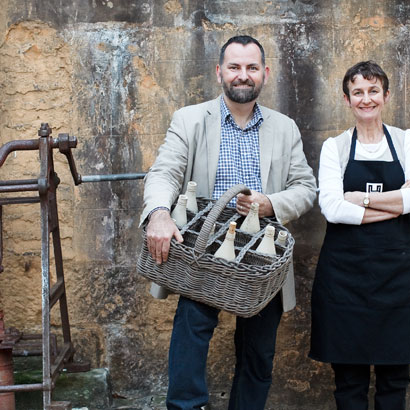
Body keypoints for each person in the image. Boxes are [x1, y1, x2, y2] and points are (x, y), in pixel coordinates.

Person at [140, 35, 316, 410]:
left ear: (264, 74)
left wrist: (270, 203)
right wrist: (157, 213)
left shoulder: (285, 128)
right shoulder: (188, 119)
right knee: (190, 337)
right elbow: (163, 172)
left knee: (258, 355)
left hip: (261, 257)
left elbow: (306, 188)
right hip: (201, 251)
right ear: (220, 72)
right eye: (234, 67)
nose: (243, 75)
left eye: (252, 68)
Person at [309, 61, 410, 410]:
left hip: (399, 277)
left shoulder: (407, 141)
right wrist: (395, 203)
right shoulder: (336, 148)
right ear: (347, 99)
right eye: (358, 92)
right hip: (345, 281)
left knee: (395, 380)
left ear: (386, 95)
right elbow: (332, 209)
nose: (366, 99)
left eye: (373, 91)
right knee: (349, 380)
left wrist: (360, 199)